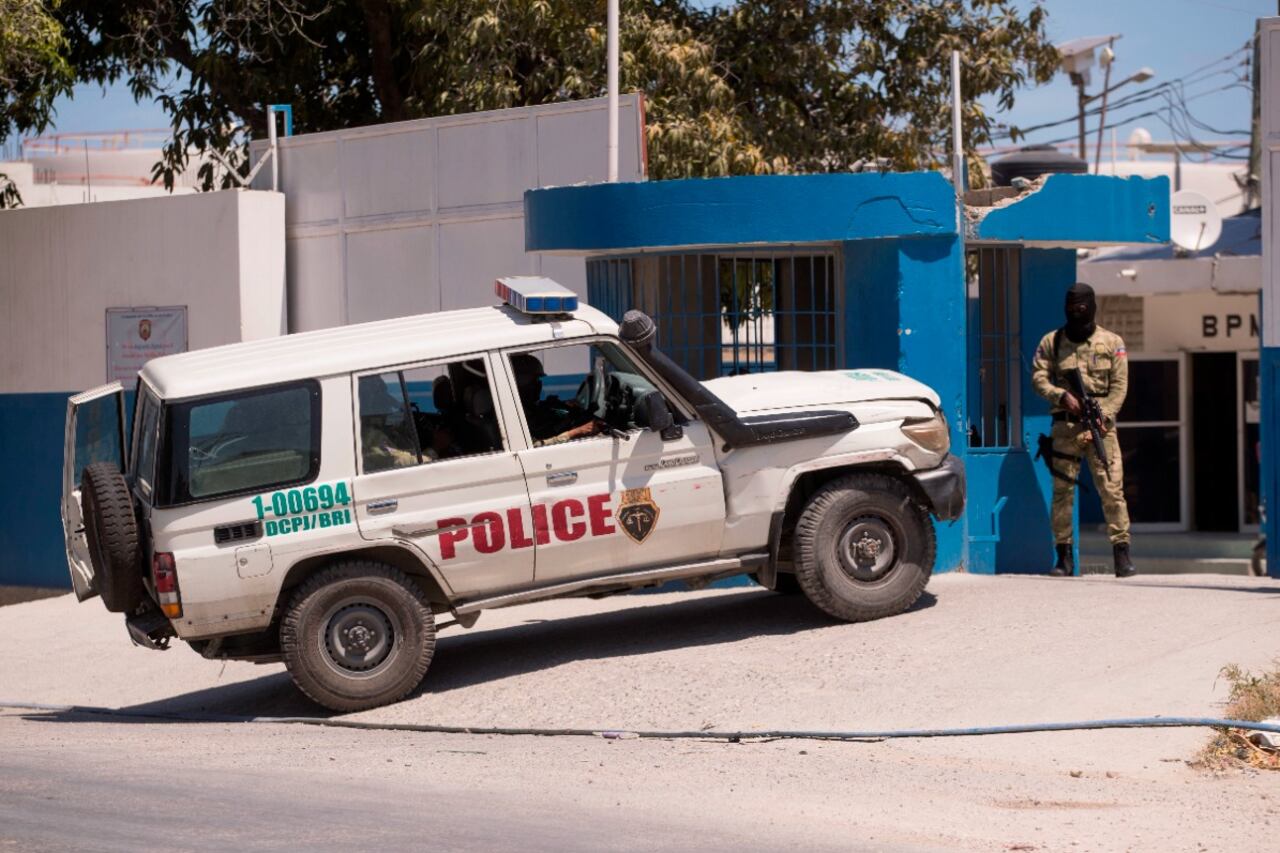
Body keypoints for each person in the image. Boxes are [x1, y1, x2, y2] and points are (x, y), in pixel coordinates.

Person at [1031, 282, 1136, 578]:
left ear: (1091, 307)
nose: (1077, 312)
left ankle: (1122, 554)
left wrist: (1104, 414)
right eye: (1071, 308)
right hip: (1065, 428)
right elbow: (1038, 378)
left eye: (1082, 307)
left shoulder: (1112, 342)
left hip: (1102, 428)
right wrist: (1061, 396)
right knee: (1062, 493)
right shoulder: (1052, 342)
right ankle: (1063, 557)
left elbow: (1119, 386)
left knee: (1112, 491)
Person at [510, 353, 603, 446]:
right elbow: (536, 445)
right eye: (534, 380)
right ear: (520, 383)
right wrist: (576, 432)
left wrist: (567, 409)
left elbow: (545, 411)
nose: (538, 384)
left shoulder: (528, 406)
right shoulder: (514, 413)